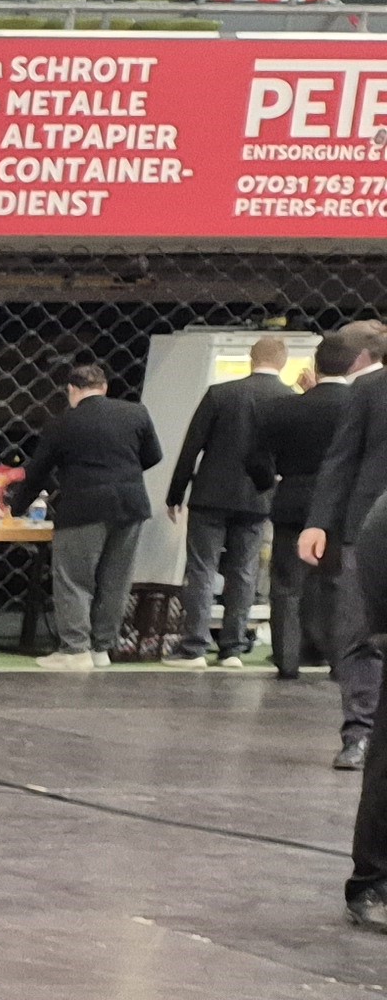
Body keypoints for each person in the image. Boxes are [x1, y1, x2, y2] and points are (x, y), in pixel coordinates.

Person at [9, 362, 162, 671]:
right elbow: (153, 456)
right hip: (131, 506)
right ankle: (102, 649)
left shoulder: (62, 423)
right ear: (104, 387)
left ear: (72, 390)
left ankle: (74, 649)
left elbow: (38, 471)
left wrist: (16, 508)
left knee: (74, 580)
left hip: (83, 508)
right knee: (115, 581)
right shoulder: (136, 413)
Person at [166, 334, 291, 664]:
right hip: (258, 498)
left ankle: (194, 646)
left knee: (202, 570)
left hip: (210, 495)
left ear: (251, 357)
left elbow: (191, 447)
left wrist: (175, 493)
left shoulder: (220, 393)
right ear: (284, 362)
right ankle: (232, 648)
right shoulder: (290, 398)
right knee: (244, 572)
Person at [298, 314, 387, 768]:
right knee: (358, 632)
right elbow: (342, 458)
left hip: (367, 529)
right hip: (368, 531)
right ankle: (359, 735)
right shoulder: (370, 389)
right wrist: (318, 522)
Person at [263, 326, 370, 684]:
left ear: (314, 364)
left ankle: (287, 662)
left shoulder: (286, 407)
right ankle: (341, 661)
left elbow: (256, 457)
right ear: (354, 363)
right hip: (343, 504)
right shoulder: (360, 403)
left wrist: (272, 481)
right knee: (338, 584)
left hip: (292, 500)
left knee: (286, 585)